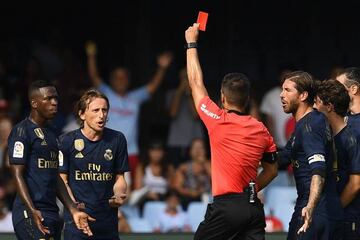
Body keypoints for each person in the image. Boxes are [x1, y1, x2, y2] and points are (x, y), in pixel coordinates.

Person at [185, 23, 278, 240]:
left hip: (227, 208)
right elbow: (272, 170)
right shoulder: (261, 129)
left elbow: (195, 82)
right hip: (253, 207)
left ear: (223, 98)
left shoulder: (216, 119)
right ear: (247, 100)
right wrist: (253, 190)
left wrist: (191, 43)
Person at [8, 80, 94, 240]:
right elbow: (17, 174)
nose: (54, 103)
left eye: (56, 98)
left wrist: (73, 209)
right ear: (34, 103)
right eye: (48, 99)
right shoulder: (22, 131)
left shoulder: (53, 134)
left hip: (52, 212)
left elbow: (56, 177)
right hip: (29, 211)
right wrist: (32, 209)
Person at [85, 41, 173, 180]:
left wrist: (162, 68)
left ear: (128, 80)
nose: (121, 80)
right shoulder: (106, 94)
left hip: (131, 152)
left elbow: (153, 86)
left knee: (128, 191)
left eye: (124, 77)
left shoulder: (135, 97)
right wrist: (91, 56)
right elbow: (94, 77)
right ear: (111, 80)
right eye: (117, 77)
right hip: (108, 149)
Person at [280, 72, 343, 240]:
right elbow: (281, 159)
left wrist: (310, 207)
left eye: (287, 90)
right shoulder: (305, 125)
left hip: (314, 210)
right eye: (282, 90)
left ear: (303, 95)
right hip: (318, 208)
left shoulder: (310, 126)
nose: (281, 95)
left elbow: (318, 170)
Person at [59, 88, 129, 239]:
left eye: (104, 110)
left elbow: (120, 178)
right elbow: (62, 182)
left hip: (107, 222)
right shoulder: (66, 141)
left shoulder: (117, 139)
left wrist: (119, 193)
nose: (101, 115)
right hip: (77, 221)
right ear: (82, 114)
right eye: (96, 110)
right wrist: (74, 210)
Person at [314, 79, 360, 239]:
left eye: (317, 102)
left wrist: (335, 210)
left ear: (329, 107)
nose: (314, 107)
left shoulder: (351, 138)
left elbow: (355, 184)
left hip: (348, 219)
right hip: (331, 216)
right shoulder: (324, 138)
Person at [167, 68, 204, 166]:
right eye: (183, 77)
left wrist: (189, 94)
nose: (185, 80)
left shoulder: (199, 95)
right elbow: (173, 113)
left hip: (195, 142)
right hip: (175, 141)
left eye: (187, 77)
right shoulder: (172, 94)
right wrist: (180, 91)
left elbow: (196, 115)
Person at [133, 139, 174, 207]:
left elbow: (171, 188)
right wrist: (149, 194)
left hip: (164, 199)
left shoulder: (169, 168)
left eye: (159, 151)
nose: (156, 154)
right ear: (149, 152)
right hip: (146, 199)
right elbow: (138, 188)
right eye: (154, 151)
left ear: (163, 153)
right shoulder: (142, 167)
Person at [173, 138, 211, 209]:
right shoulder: (184, 167)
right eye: (195, 148)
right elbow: (177, 187)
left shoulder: (210, 165)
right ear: (190, 151)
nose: (198, 151)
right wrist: (189, 192)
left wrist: (204, 163)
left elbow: (216, 180)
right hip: (189, 198)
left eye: (201, 148)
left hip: (208, 197)